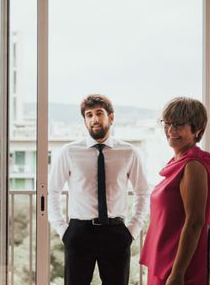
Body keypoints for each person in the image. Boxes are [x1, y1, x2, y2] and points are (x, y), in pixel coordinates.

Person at [48, 94, 149, 285]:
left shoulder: (128, 152)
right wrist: (63, 230)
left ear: (111, 117)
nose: (94, 119)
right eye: (89, 115)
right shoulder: (69, 152)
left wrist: (132, 230)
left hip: (116, 233)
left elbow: (142, 192)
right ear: (84, 121)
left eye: (99, 113)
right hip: (79, 233)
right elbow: (52, 191)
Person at [140, 97, 210, 285]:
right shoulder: (178, 161)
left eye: (179, 125)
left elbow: (195, 222)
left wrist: (177, 273)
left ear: (197, 129)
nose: (171, 130)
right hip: (165, 259)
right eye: (168, 123)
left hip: (178, 265)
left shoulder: (193, 166)